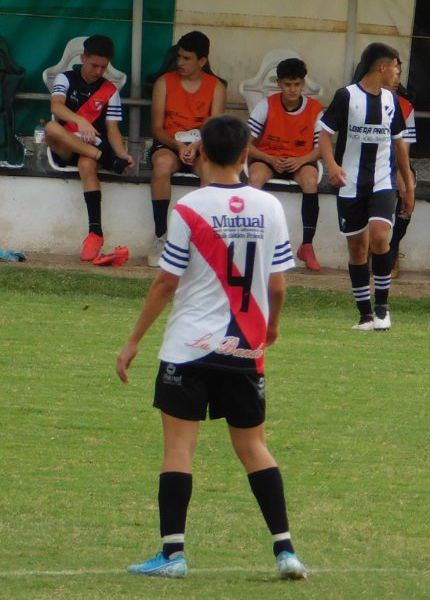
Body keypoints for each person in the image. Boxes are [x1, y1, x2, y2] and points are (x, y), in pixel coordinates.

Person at [116, 115, 307, 580]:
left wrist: (134, 339)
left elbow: (166, 282)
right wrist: (272, 328)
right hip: (245, 345)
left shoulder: (188, 209)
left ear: (199, 152)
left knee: (179, 448)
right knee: (254, 447)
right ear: (247, 156)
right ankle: (286, 552)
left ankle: (173, 555)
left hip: (188, 348)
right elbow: (278, 286)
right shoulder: (271, 208)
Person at [318, 42, 415, 331]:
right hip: (350, 183)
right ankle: (364, 315)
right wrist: (332, 167)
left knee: (380, 235)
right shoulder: (346, 96)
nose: (398, 73)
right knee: (357, 249)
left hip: (382, 181)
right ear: (383, 67)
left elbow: (399, 144)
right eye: (396, 67)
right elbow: (324, 135)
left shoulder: (392, 100)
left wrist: (408, 186)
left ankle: (383, 308)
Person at [44, 34, 134, 262]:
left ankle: (95, 233)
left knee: (87, 163)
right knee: (52, 128)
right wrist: (81, 121)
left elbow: (112, 129)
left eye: (103, 67)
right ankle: (105, 158)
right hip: (66, 145)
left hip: (93, 148)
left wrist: (123, 154)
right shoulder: (66, 78)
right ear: (83, 58)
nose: (98, 71)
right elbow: (56, 106)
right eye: (94, 65)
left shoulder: (109, 90)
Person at [148, 31, 226, 266]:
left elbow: (214, 127)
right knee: (161, 165)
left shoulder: (216, 87)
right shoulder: (164, 82)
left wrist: (196, 145)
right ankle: (161, 236)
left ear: (202, 61)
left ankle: (202, 238)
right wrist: (179, 145)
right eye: (179, 57)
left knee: (211, 173)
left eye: (186, 58)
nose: (180, 63)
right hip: (170, 144)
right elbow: (156, 128)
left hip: (202, 144)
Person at [247, 58, 324, 271]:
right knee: (254, 179)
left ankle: (307, 244)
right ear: (279, 84)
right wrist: (270, 159)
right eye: (288, 85)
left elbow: (321, 149)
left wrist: (300, 160)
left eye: (297, 84)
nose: (292, 90)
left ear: (303, 84)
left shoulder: (315, 109)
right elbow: (246, 145)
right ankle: (251, 239)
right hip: (269, 158)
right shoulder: (266, 105)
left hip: (301, 160)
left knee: (310, 181)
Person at [387, 82, 416, 278]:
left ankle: (393, 248)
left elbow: (404, 147)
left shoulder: (405, 106)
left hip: (393, 163)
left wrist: (401, 170)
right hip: (366, 164)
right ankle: (369, 246)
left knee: (406, 186)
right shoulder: (360, 100)